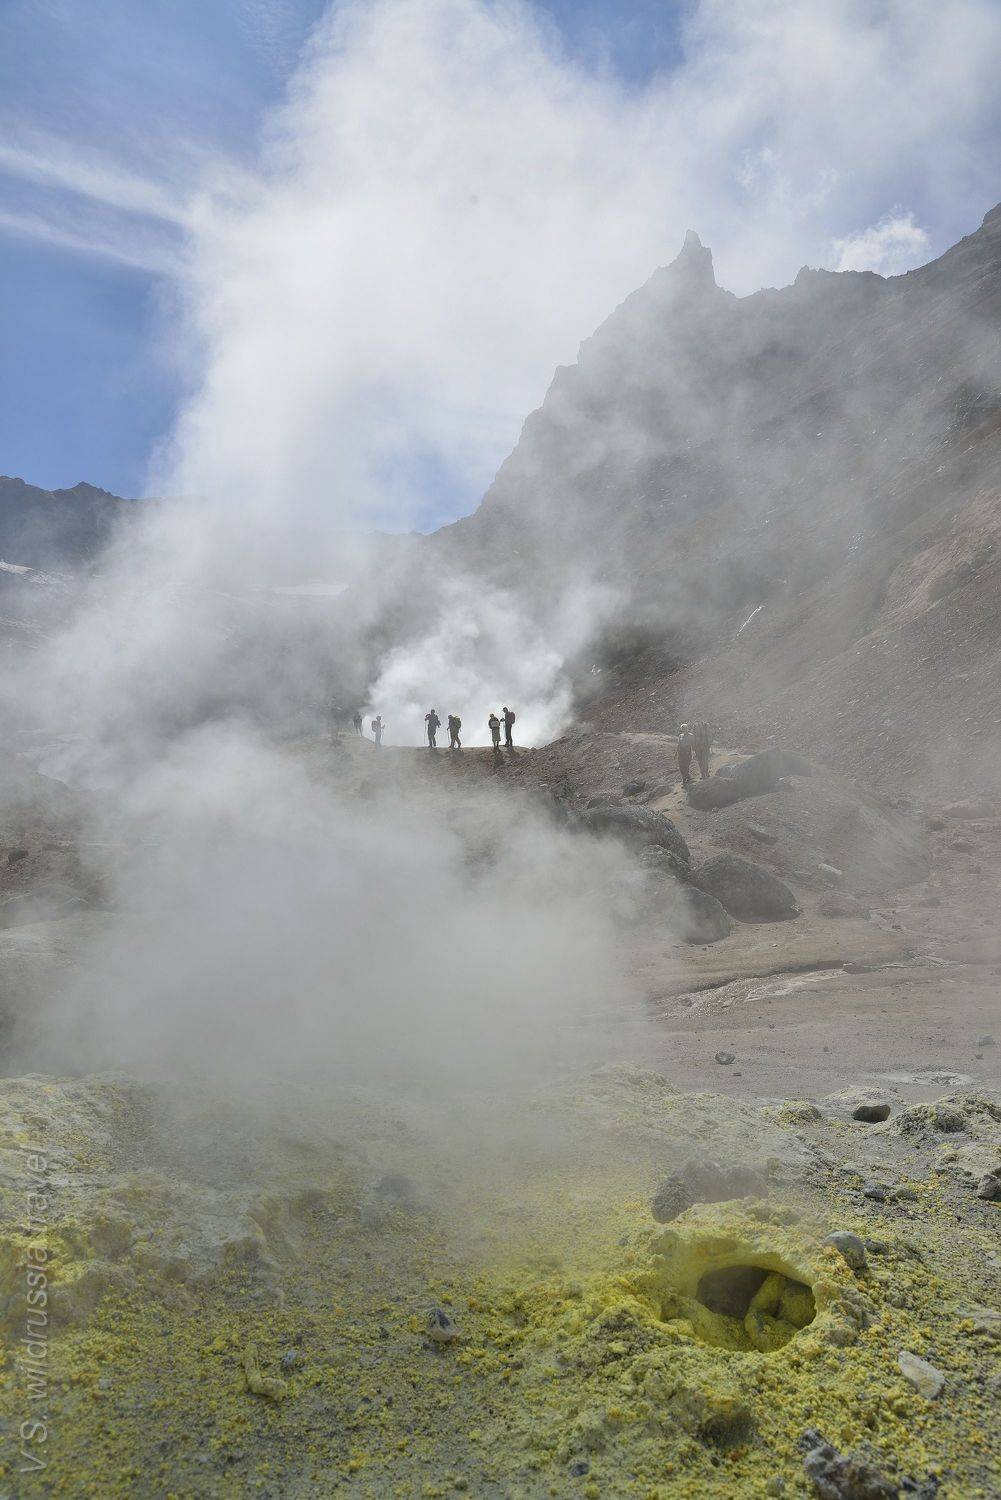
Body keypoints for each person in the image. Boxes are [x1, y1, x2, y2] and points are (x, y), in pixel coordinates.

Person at [677, 722, 694, 787]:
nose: (684, 730)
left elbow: (693, 744)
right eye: (683, 729)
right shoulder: (680, 736)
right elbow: (678, 744)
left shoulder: (691, 735)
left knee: (686, 766)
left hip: (687, 753)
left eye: (685, 728)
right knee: (681, 766)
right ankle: (686, 778)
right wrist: (677, 752)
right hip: (681, 753)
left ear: (687, 729)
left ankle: (685, 779)